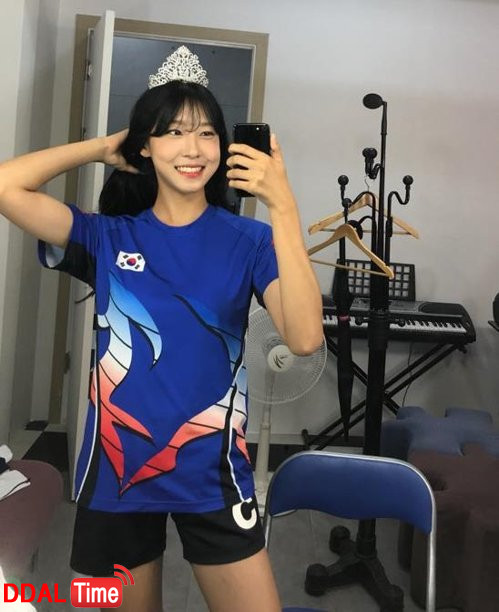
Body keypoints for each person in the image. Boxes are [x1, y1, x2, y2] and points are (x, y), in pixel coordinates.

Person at [0, 46, 323, 612]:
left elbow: (303, 338)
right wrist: (102, 148)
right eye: (173, 132)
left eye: (206, 133)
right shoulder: (107, 237)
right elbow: (7, 187)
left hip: (213, 472)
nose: (193, 149)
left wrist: (284, 207)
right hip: (115, 473)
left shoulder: (249, 241)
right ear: (145, 146)